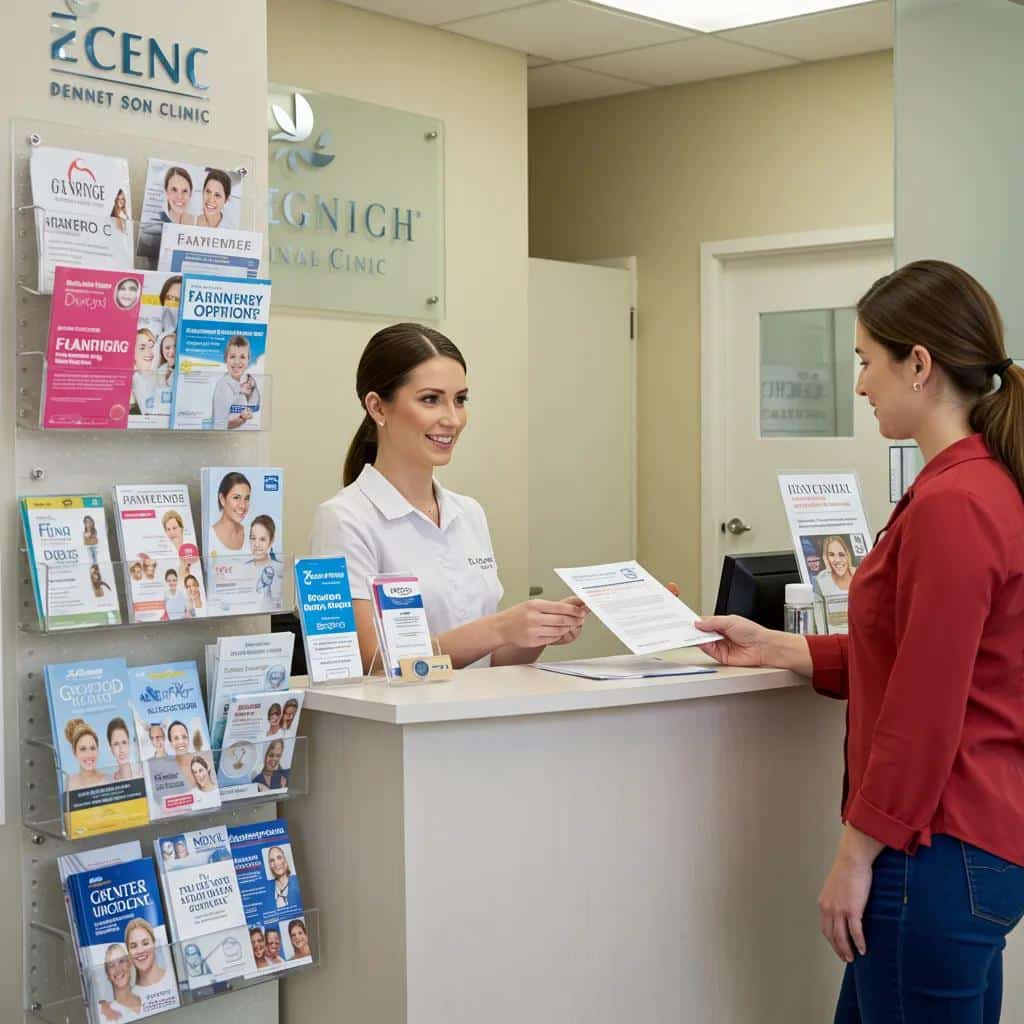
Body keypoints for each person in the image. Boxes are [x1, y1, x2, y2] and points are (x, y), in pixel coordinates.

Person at [696, 260, 1024, 1024]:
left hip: (931, 850)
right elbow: (917, 656)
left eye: (866, 361)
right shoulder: (977, 489)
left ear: (919, 365)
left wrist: (855, 853)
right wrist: (777, 646)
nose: (860, 384)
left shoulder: (957, 503)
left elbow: (925, 704)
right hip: (962, 851)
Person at [311, 323, 586, 671]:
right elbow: (372, 663)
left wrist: (537, 631)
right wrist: (500, 627)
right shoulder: (342, 519)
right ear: (377, 408)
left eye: (460, 400)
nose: (452, 419)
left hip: (479, 718)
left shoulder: (468, 512)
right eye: (430, 399)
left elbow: (492, 661)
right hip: (407, 724)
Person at [211, 335, 260, 430]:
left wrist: (250, 392)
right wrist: (242, 418)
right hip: (226, 439)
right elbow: (220, 425)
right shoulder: (223, 386)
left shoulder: (249, 380)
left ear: (248, 360)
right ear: (226, 359)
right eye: (232, 357)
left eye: (242, 357)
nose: (237, 362)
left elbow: (255, 409)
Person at [124, 918, 175, 1007]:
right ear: (128, 952)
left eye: (145, 943)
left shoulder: (173, 978)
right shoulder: (130, 997)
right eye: (133, 946)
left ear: (154, 944)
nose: (140, 950)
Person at [209, 471, 250, 555]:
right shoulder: (209, 536)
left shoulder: (252, 535)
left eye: (246, 498)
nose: (243, 505)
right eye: (236, 497)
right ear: (222, 499)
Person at [98, 942, 141, 1021]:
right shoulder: (102, 1014)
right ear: (107, 973)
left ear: (129, 964)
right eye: (111, 965)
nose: (118, 969)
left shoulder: (147, 996)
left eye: (121, 961)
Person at [64, 719, 110, 791]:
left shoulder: (108, 781)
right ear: (75, 752)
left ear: (98, 750)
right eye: (83, 749)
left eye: (92, 748)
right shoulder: (70, 782)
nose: (89, 755)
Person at [249, 515, 283, 610]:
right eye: (253, 538)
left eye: (262, 539)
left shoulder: (280, 569)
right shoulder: (242, 568)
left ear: (271, 541)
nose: (256, 544)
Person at [130, 329, 159, 419]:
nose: (149, 352)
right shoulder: (129, 381)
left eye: (151, 347)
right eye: (142, 348)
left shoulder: (162, 377)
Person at [267, 845, 301, 910]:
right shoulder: (267, 890)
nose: (276, 863)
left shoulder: (297, 882)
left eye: (279, 857)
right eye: (272, 860)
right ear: (269, 865)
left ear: (285, 859)